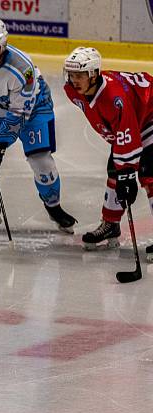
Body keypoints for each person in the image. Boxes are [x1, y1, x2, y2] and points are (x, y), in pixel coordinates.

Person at [0, 19, 77, 233]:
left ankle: (54, 207)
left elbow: (18, 113)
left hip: (33, 109)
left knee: (40, 160)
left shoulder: (23, 70)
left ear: (3, 45)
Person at [63, 47, 153, 258]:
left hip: (149, 116)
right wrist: (123, 172)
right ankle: (111, 224)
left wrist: (128, 173)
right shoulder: (73, 90)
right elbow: (121, 134)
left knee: (149, 173)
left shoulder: (114, 99)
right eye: (72, 74)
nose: (74, 80)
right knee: (115, 170)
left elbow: (128, 136)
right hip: (136, 117)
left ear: (93, 74)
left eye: (80, 75)